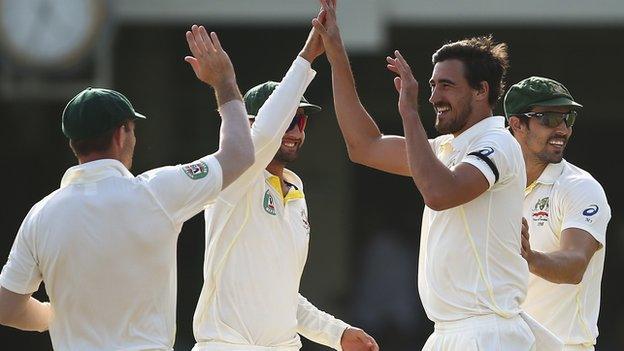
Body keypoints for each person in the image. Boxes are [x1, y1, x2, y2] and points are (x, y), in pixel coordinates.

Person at [312, 0, 562, 349]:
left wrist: (409, 113)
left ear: (481, 90)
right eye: (431, 85)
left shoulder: (498, 143)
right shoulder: (445, 147)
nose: (433, 96)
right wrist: (336, 53)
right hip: (448, 332)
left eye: (446, 86)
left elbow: (439, 194)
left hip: (488, 332)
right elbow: (364, 146)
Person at [0, 25, 254, 351]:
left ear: (74, 143)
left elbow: (8, 307)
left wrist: (55, 315)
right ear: (122, 134)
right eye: (132, 129)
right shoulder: (157, 192)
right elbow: (239, 154)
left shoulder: (42, 214)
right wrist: (225, 83)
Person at [191, 13, 378, 351]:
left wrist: (336, 333)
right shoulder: (235, 178)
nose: (294, 131)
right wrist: (307, 55)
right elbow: (263, 135)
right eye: (288, 120)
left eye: (301, 121)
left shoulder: (294, 192)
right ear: (248, 125)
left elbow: (281, 296)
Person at [505, 77, 611, 351]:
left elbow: (575, 265)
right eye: (550, 119)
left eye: (568, 119)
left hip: (565, 346)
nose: (563, 129)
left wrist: (529, 257)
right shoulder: (493, 185)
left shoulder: (580, 187)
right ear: (517, 124)